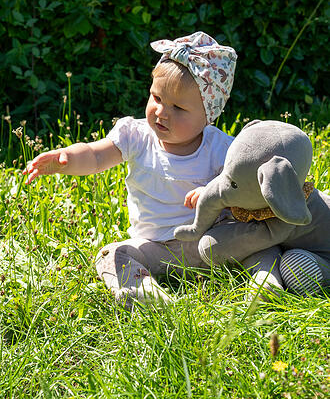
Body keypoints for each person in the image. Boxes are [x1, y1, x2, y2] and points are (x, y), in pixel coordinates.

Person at [24, 31, 237, 307]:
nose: (161, 112)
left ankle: (269, 275)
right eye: (157, 98)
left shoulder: (220, 147)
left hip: (209, 241)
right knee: (111, 255)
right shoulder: (135, 135)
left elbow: (239, 183)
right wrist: (67, 158)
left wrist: (212, 191)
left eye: (178, 107)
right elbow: (96, 155)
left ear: (209, 114)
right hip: (154, 248)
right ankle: (147, 294)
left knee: (254, 237)